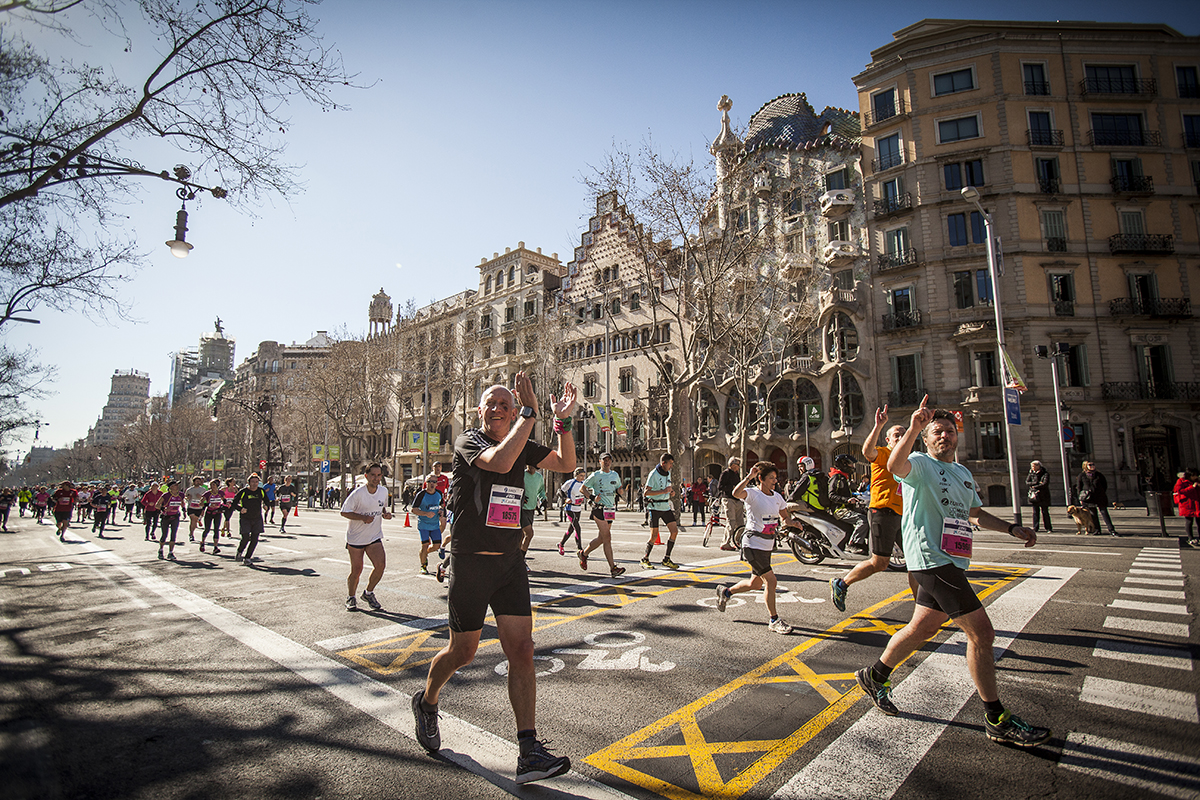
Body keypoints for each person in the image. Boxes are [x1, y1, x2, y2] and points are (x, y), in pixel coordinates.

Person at [855, 398, 1050, 747]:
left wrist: (1011, 528)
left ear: (956, 436)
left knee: (923, 626)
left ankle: (875, 675)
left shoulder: (962, 473)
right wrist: (914, 426)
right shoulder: (918, 464)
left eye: (948, 431)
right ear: (927, 440)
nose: (943, 436)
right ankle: (996, 718)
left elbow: (974, 512)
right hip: (932, 559)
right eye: (936, 432)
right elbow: (896, 464)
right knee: (983, 634)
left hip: (953, 559)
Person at [413, 373, 577, 785]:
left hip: (509, 563)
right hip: (470, 563)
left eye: (507, 403)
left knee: (522, 650)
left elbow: (566, 463)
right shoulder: (469, 442)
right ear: (479, 411)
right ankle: (427, 701)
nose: (500, 408)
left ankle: (529, 751)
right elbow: (502, 461)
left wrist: (562, 423)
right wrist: (529, 413)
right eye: (493, 403)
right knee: (462, 652)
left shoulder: (523, 440)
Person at [831, 407, 917, 613]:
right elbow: (867, 452)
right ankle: (842, 584)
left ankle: (922, 605)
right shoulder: (884, 454)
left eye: (904, 435)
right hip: (882, 511)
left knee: (915, 560)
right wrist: (878, 425)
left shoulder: (911, 459)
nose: (900, 438)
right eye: (896, 435)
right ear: (888, 440)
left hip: (903, 515)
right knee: (880, 563)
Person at [713, 461, 794, 634]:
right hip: (752, 544)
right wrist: (749, 477)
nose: (775, 480)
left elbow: (785, 517)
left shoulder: (777, 497)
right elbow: (736, 493)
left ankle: (726, 592)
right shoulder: (752, 493)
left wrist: (792, 523)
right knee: (771, 581)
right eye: (771, 478)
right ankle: (774, 619)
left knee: (755, 583)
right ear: (761, 479)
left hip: (767, 545)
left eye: (775, 477)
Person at [341, 463, 393, 610]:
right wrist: (362, 517)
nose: (376, 478)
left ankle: (368, 593)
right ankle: (351, 597)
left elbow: (381, 506)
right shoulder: (358, 494)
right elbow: (344, 512)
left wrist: (385, 514)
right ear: (366, 476)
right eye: (373, 475)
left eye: (378, 475)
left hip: (374, 536)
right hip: (356, 538)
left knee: (380, 565)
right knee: (357, 570)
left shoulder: (383, 491)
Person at [578, 453, 626, 578]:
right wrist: (593, 497)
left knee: (601, 539)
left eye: (609, 460)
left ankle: (584, 553)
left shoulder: (615, 475)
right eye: (604, 460)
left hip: (610, 510)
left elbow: (618, 488)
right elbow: (582, 489)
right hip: (599, 509)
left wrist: (620, 491)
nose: (607, 462)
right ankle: (613, 568)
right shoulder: (595, 475)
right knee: (607, 538)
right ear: (600, 461)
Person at [641, 452, 681, 570]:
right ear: (663, 463)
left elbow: (667, 487)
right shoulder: (653, 474)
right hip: (654, 507)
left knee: (674, 531)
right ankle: (645, 558)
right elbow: (646, 493)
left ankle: (666, 558)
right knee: (654, 536)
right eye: (670, 464)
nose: (671, 466)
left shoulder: (667, 473)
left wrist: (671, 492)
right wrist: (663, 491)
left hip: (665, 507)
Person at [232, 474, 269, 565]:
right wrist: (240, 509)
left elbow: (267, 500)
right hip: (246, 518)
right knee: (245, 538)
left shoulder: (261, 491)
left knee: (255, 539)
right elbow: (234, 503)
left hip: (257, 518)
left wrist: (265, 505)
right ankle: (239, 551)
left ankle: (248, 557)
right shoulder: (243, 492)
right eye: (252, 482)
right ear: (248, 483)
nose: (254, 484)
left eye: (256, 482)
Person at [411, 474, 443, 576]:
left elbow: (441, 505)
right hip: (423, 524)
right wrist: (425, 514)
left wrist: (441, 511)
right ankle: (423, 566)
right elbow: (413, 509)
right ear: (426, 483)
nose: (432, 484)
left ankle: (424, 554)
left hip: (435, 524)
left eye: (434, 482)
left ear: (437, 483)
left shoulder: (439, 493)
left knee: (437, 546)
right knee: (425, 545)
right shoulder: (421, 495)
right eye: (429, 481)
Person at [1077, 461, 1118, 536]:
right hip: (1089, 498)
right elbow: (1079, 487)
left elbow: (1104, 485)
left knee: (1104, 513)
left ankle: (1111, 530)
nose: (1092, 466)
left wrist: (1100, 492)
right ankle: (1097, 530)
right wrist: (1081, 498)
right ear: (1085, 466)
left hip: (1100, 497)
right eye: (1090, 465)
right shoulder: (1082, 475)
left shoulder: (1099, 475)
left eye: (1093, 464)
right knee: (1093, 515)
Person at [519, 463, 546, 571]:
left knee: (521, 536)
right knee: (529, 533)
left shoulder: (539, 477)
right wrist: (521, 496)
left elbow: (540, 491)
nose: (532, 467)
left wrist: (543, 500)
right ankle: (521, 560)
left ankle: (517, 559)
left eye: (534, 465)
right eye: (530, 465)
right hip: (521, 508)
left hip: (531, 509)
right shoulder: (522, 475)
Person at [558, 467, 586, 555]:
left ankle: (561, 544)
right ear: (576, 475)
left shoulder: (583, 484)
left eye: (584, 476)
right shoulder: (570, 483)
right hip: (570, 508)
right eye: (581, 475)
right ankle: (580, 549)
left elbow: (586, 493)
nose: (582, 478)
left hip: (578, 508)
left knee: (571, 529)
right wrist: (565, 498)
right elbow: (560, 491)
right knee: (577, 528)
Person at [716, 457, 743, 551]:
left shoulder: (736, 474)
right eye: (738, 465)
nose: (739, 467)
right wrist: (732, 487)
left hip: (737, 499)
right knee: (731, 521)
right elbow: (720, 486)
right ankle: (725, 542)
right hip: (728, 498)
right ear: (733, 465)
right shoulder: (725, 473)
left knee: (740, 522)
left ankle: (737, 541)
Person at [155, 480, 186, 560]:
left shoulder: (181, 494)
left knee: (173, 534)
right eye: (175, 485)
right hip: (166, 517)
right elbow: (157, 505)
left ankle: (170, 552)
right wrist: (164, 508)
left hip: (175, 516)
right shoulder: (166, 495)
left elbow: (182, 502)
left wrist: (184, 510)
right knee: (164, 535)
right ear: (171, 487)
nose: (177, 486)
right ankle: (161, 550)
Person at [1174, 469, 1200, 547]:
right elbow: (1179, 491)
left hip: (1196, 503)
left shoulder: (1197, 481)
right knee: (1189, 521)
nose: (1195, 477)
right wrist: (1191, 487)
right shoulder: (1181, 481)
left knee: (1199, 521)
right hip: (1187, 504)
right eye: (1194, 475)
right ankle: (1190, 538)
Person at [1026, 461, 1052, 533]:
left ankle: (1048, 527)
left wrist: (1034, 486)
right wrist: (1037, 483)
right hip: (1034, 495)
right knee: (1035, 512)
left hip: (1043, 495)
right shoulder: (1031, 473)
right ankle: (1035, 527)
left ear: (1038, 466)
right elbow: (1027, 482)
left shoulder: (1045, 473)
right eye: (1032, 466)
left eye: (1033, 466)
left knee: (1045, 512)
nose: (1032, 468)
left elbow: (1045, 484)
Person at [200, 479, 225, 554]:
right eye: (211, 485)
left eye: (213, 485)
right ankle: (203, 542)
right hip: (209, 513)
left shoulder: (220, 493)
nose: (212, 487)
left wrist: (225, 505)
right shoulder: (207, 493)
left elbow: (224, 500)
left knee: (216, 529)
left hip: (217, 512)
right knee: (207, 529)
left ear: (217, 485)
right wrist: (208, 504)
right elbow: (200, 503)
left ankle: (215, 547)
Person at [185, 477, 207, 541]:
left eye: (199, 481)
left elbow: (205, 499)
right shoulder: (189, 489)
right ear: (193, 482)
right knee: (193, 519)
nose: (198, 482)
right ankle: (191, 534)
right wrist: (188, 497)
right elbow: (186, 497)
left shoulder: (203, 490)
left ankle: (192, 532)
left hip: (198, 507)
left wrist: (200, 497)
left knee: (194, 521)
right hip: (191, 507)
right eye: (196, 481)